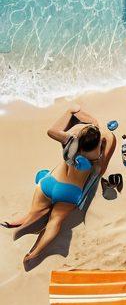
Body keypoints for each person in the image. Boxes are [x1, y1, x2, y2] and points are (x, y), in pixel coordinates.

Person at [4, 106, 115, 265]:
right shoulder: (97, 153)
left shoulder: (71, 141)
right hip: (69, 192)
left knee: (36, 208)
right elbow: (101, 170)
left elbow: (51, 131)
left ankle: (26, 219)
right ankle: (34, 253)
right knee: (55, 222)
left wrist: (71, 112)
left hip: (50, 183)